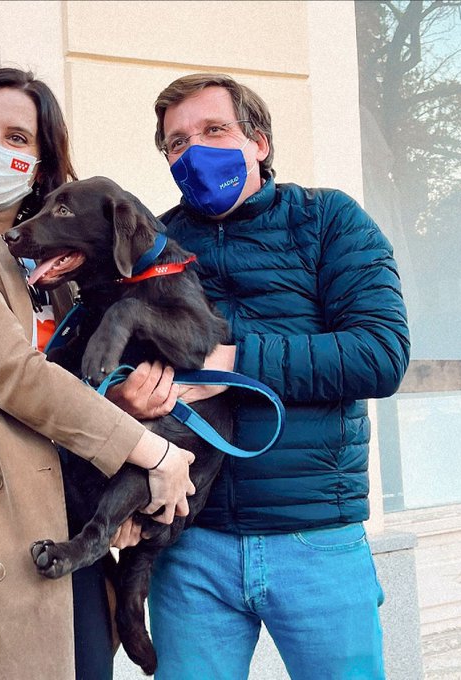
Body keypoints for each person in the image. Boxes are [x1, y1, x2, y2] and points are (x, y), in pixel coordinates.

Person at [0, 67, 196, 680]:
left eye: (18, 138)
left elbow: (77, 388)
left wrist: (129, 411)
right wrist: (150, 453)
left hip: (63, 522)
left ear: (42, 163)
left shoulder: (61, 268)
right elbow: (10, 373)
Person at [110, 73, 410, 679]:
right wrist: (124, 397)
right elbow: (114, 355)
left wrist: (236, 365)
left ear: (260, 142)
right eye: (176, 143)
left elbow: (380, 352)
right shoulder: (155, 245)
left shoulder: (329, 222)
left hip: (318, 540)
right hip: (190, 545)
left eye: (214, 130)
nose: (193, 152)